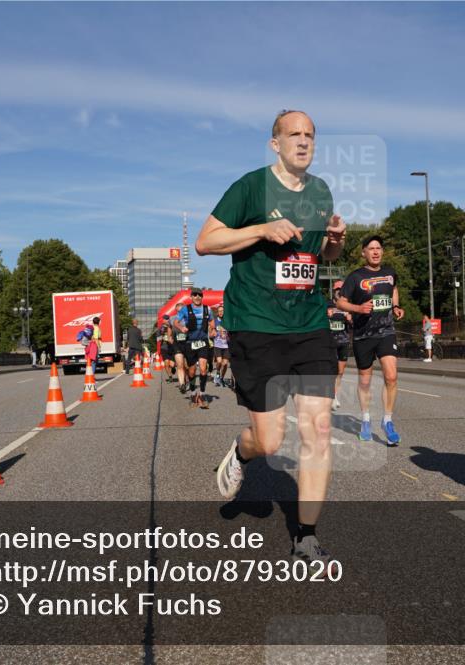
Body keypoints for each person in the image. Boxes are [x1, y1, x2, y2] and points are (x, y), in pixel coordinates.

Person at [195, 109, 347, 564]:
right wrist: (262, 228)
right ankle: (242, 454)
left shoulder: (320, 191)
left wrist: (335, 241)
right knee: (270, 441)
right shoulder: (251, 187)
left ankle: (306, 536)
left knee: (318, 429)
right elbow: (206, 241)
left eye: (310, 136)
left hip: (308, 323)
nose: (302, 142)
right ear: (274, 143)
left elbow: (319, 254)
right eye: (293, 134)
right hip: (257, 323)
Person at [337, 235, 404, 446]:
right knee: (365, 381)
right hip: (363, 334)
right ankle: (366, 419)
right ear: (363, 253)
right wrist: (358, 308)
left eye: (378, 248)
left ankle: (387, 420)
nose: (375, 251)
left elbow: (393, 288)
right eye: (371, 248)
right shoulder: (355, 277)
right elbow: (340, 302)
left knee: (391, 376)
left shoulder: (390, 273)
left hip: (386, 331)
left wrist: (395, 307)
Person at [174, 288, 215, 408]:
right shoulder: (185, 309)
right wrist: (181, 328)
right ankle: (193, 393)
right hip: (190, 343)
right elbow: (176, 322)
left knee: (203, 369)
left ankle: (202, 394)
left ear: (202, 297)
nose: (198, 297)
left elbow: (212, 322)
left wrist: (213, 330)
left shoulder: (207, 309)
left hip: (202, 341)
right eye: (195, 295)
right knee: (191, 372)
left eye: (200, 295)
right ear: (191, 297)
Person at [327, 281, 352, 409]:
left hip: (343, 341)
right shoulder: (328, 304)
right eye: (337, 289)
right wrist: (326, 316)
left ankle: (334, 395)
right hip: (329, 342)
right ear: (334, 290)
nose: (339, 291)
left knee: (340, 372)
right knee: (331, 370)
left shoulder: (348, 305)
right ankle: (331, 396)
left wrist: (350, 319)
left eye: (341, 289)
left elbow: (355, 324)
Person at [212, 305, 232, 388]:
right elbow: (211, 331)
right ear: (217, 313)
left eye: (222, 311)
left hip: (226, 345)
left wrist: (228, 335)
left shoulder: (228, 321)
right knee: (219, 361)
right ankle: (217, 372)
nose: (221, 312)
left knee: (225, 363)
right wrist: (214, 333)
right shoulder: (215, 321)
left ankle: (222, 378)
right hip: (218, 345)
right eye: (219, 311)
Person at [171, 303, 189, 393]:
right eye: (178, 311)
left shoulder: (189, 318)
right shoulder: (173, 319)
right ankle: (182, 384)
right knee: (180, 364)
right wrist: (170, 337)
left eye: (181, 311)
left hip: (188, 343)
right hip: (177, 344)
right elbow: (170, 330)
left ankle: (187, 380)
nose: (179, 312)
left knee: (187, 366)